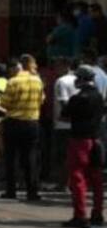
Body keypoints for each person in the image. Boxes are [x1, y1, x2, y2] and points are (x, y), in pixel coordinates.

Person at [61, 66, 105, 228]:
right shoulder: (99, 96)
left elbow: (64, 115)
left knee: (78, 179)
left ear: (80, 79)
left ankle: (80, 216)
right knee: (97, 179)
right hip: (96, 140)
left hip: (80, 141)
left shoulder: (77, 98)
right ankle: (97, 214)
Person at [0, 54, 45, 202]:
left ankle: (11, 190)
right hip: (32, 122)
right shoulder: (38, 81)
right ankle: (32, 191)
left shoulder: (12, 82)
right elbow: (42, 99)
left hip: (13, 122)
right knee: (31, 158)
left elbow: (5, 103)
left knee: (11, 158)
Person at [50, 59, 77, 190]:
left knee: (62, 155)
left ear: (66, 66)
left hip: (63, 124)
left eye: (57, 65)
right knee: (73, 155)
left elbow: (63, 102)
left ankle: (63, 183)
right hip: (77, 124)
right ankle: (71, 182)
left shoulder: (61, 81)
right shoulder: (78, 80)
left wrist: (65, 117)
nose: (55, 68)